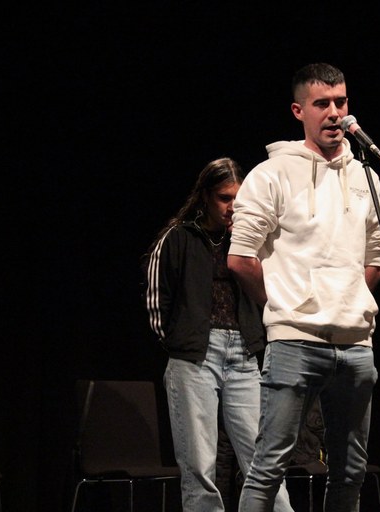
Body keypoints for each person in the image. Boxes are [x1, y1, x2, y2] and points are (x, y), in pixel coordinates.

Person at [227, 62, 380, 512]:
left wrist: (349, 297)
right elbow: (240, 257)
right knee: (269, 467)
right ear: (299, 111)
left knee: (350, 471)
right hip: (295, 340)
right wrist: (283, 302)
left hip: (356, 344)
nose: (334, 113)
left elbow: (376, 258)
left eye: (341, 102)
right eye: (322, 104)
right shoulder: (271, 174)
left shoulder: (367, 177)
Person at [144, 157, 293, 512]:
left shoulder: (247, 242)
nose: (232, 207)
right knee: (199, 465)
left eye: (239, 199)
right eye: (225, 198)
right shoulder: (178, 237)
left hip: (243, 355)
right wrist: (181, 343)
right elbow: (157, 299)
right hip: (195, 356)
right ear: (206, 196)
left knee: (263, 459)